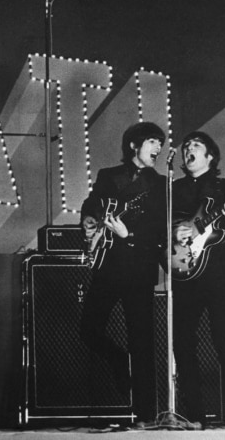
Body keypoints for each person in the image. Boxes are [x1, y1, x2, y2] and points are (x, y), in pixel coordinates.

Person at [80, 122, 166, 426]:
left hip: (140, 269)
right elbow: (91, 206)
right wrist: (90, 224)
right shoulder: (108, 176)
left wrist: (129, 234)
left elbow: (159, 231)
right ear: (134, 145)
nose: (158, 148)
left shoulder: (160, 184)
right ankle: (118, 359)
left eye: (160, 143)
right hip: (109, 265)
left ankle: (147, 415)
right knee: (88, 328)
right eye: (152, 141)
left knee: (142, 342)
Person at [172, 131, 225, 430]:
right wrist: (175, 233)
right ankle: (195, 414)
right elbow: (161, 230)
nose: (188, 151)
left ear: (210, 156)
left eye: (195, 146)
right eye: (186, 148)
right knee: (182, 341)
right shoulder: (174, 190)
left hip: (221, 273)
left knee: (223, 338)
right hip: (187, 272)